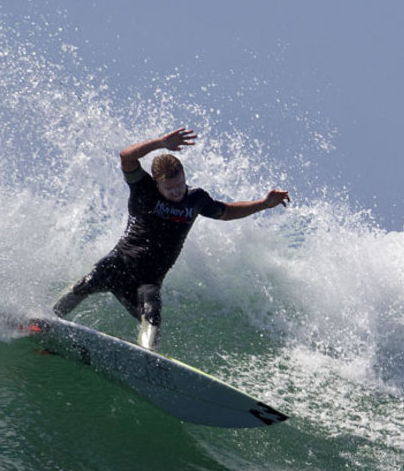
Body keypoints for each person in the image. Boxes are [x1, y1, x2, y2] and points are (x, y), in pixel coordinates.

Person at [52, 127, 290, 350]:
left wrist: (263, 204)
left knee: (153, 316)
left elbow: (226, 212)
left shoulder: (196, 199)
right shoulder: (143, 188)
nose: (177, 192)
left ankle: (145, 358)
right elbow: (126, 157)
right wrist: (160, 143)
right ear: (157, 185)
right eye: (169, 188)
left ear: (185, 176)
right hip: (120, 262)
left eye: (180, 185)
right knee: (85, 284)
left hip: (148, 280)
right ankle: (47, 320)